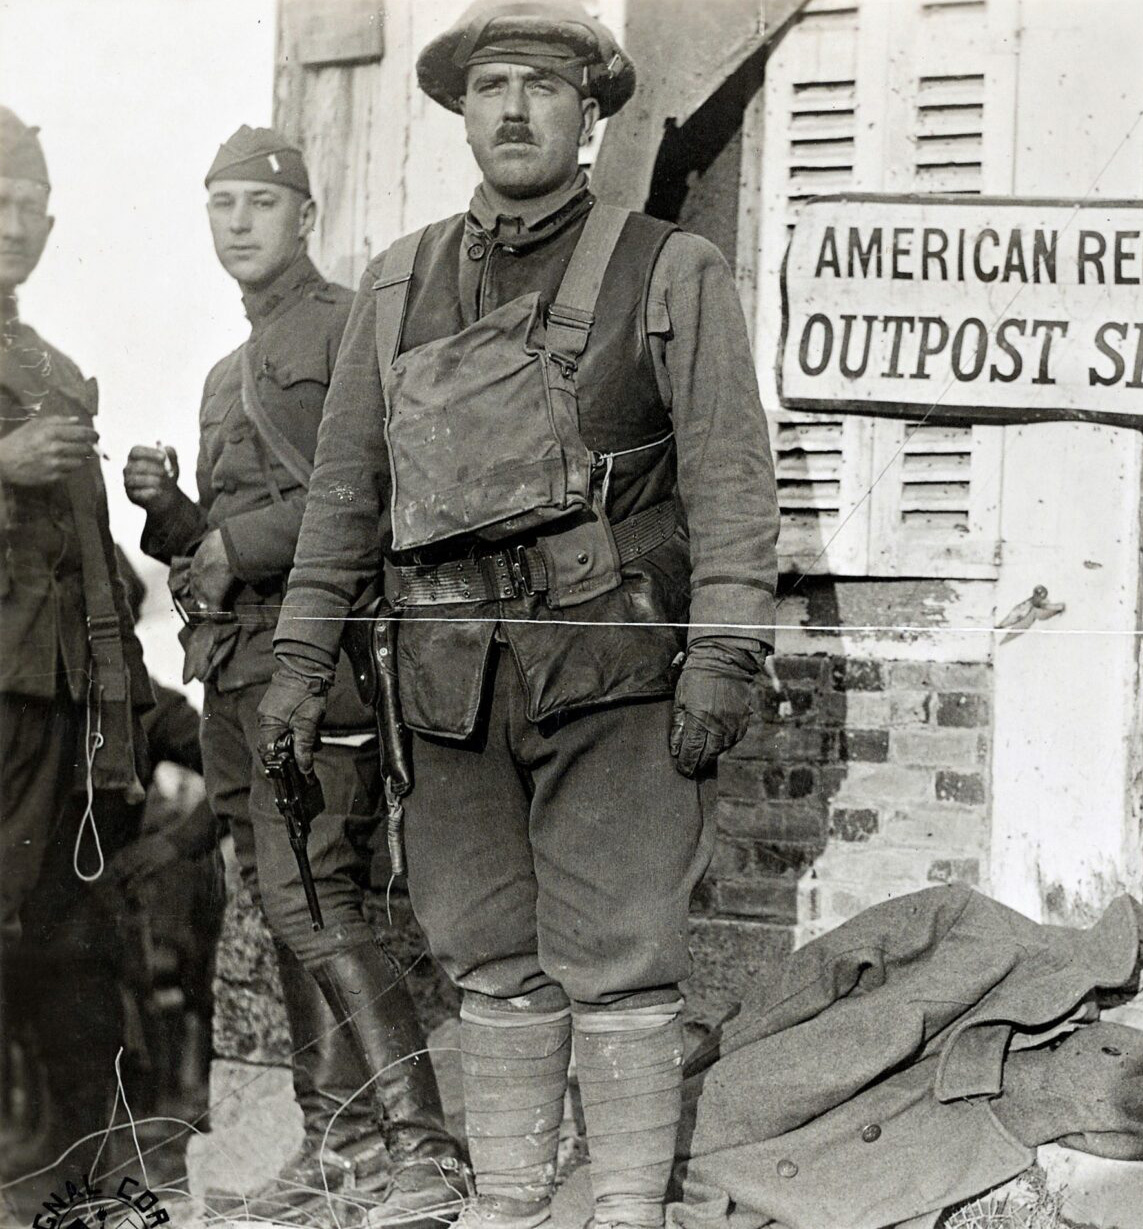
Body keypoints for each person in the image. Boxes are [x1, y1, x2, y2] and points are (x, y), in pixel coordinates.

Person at [257, 3, 781, 1226]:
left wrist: (725, 652)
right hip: (446, 681)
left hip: (613, 666)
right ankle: (504, 1200)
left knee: (619, 957)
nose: (512, 108)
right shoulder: (396, 284)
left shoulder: (669, 269)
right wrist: (295, 664)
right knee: (486, 951)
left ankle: (625, 1208)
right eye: (490, 85)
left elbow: (728, 478)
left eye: (542, 87)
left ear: (589, 113)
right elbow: (343, 497)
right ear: (460, 111)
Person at [123, 127, 464, 1229]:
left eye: (258, 205)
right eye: (219, 202)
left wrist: (239, 545)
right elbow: (216, 540)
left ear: (304, 217)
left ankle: (417, 1147)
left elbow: (370, 492)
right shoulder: (229, 369)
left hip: (316, 667)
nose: (236, 222)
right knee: (283, 909)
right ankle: (336, 1145)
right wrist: (169, 512)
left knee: (316, 897)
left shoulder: (345, 324)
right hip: (232, 669)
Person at [0, 104, 154, 1180]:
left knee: (67, 929)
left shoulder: (48, 361)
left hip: (55, 696)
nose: (13, 223)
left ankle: (79, 1163)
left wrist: (121, 697)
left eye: (29, 206)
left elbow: (96, 558)